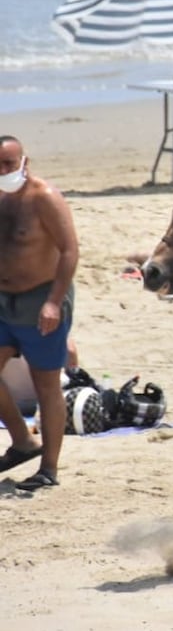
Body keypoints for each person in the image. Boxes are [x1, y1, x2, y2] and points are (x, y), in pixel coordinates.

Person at [0, 135, 79, 490]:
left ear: (24, 162)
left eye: (8, 165)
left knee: (46, 384)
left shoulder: (44, 197)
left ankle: (49, 468)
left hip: (40, 300)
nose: (3, 172)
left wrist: (53, 302)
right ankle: (22, 440)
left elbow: (69, 250)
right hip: (3, 301)